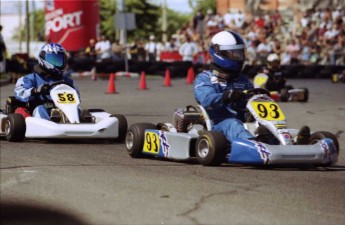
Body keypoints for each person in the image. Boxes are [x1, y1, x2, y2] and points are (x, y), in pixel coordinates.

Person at [194, 30, 255, 142]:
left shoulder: (243, 79)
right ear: (219, 53)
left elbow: (251, 100)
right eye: (233, 53)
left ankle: (283, 143)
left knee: (264, 127)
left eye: (239, 53)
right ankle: (254, 146)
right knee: (233, 124)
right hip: (218, 124)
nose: (238, 57)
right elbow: (206, 99)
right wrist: (227, 96)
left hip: (244, 122)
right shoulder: (204, 78)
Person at [14, 43, 78, 120]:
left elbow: (77, 99)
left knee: (78, 110)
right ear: (43, 58)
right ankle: (49, 124)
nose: (56, 63)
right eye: (53, 60)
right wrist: (36, 90)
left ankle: (78, 122)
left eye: (59, 60)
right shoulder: (29, 79)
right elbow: (20, 94)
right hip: (36, 112)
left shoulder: (68, 81)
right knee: (40, 109)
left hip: (62, 111)